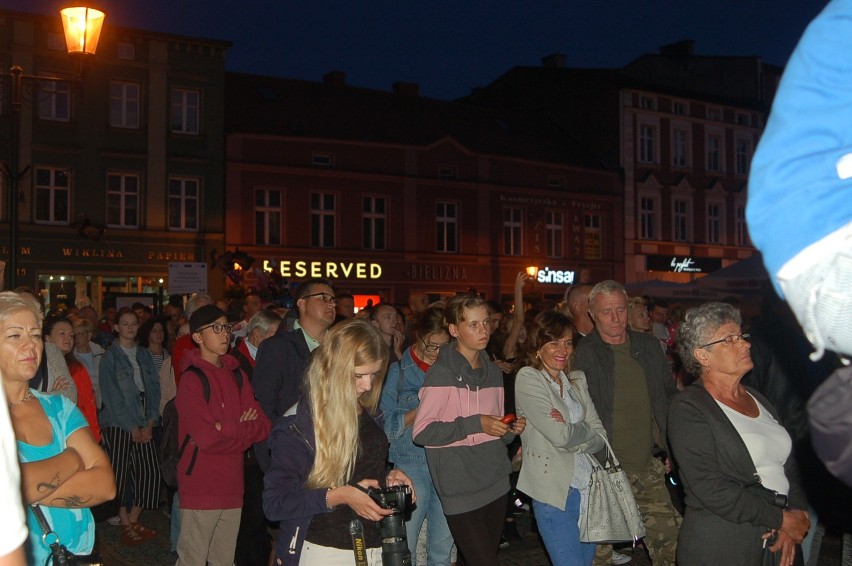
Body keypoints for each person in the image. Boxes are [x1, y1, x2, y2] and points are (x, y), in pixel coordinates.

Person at [263, 319, 415, 565]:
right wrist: (339, 495)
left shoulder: (369, 413)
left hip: (375, 545)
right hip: (324, 548)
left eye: (375, 374)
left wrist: (389, 479)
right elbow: (275, 504)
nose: (367, 385)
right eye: (359, 375)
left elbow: (359, 470)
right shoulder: (298, 426)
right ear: (335, 368)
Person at [668, 302, 810, 565]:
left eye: (742, 336)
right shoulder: (688, 408)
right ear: (702, 356)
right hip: (725, 544)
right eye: (729, 339)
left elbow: (789, 463)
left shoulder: (757, 398)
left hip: (778, 540)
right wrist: (780, 518)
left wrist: (797, 514)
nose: (744, 344)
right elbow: (711, 487)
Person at [1, 291, 116, 564]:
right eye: (15, 336)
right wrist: (72, 458)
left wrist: (24, 492)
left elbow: (105, 485)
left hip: (78, 556)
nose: (30, 345)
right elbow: (11, 489)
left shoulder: (58, 407)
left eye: (35, 334)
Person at [573, 280, 681, 566]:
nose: (616, 318)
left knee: (671, 547)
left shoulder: (647, 347)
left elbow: (667, 398)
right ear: (592, 314)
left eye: (620, 309)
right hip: (603, 472)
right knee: (599, 557)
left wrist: (671, 446)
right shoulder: (583, 353)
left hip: (647, 467)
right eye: (607, 311)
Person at [413, 294, 526, 566]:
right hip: (459, 486)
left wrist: (509, 429)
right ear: (454, 330)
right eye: (473, 324)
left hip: (495, 480)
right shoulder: (442, 373)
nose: (483, 330)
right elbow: (422, 433)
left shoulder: (493, 371)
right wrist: (477, 422)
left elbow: (494, 431)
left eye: (486, 322)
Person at [175, 305, 272, 566]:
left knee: (224, 561)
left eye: (227, 327)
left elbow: (262, 426)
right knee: (192, 560)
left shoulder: (237, 374)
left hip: (232, 484)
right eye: (215, 328)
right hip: (201, 485)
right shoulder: (192, 379)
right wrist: (238, 429)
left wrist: (224, 427)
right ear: (197, 337)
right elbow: (207, 438)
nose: (224, 334)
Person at [515, 311, 606, 566]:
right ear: (538, 346)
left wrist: (572, 428)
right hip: (554, 489)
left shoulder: (577, 380)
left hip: (588, 487)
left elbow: (600, 436)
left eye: (567, 342)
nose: (562, 350)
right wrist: (579, 428)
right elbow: (560, 435)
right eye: (554, 342)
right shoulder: (529, 378)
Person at [380, 306, 454, 565]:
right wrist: (421, 409)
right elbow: (386, 428)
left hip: (447, 463)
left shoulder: (452, 371)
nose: (436, 354)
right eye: (431, 345)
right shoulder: (399, 373)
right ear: (419, 335)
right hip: (411, 464)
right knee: (404, 547)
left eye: (444, 347)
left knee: (442, 549)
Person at [253, 278, 337, 470]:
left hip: (333, 453)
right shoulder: (278, 347)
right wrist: (278, 454)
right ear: (301, 303)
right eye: (323, 298)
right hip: (293, 454)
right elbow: (264, 406)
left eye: (333, 300)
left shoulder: (339, 349)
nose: (331, 304)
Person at [99, 307, 162, 546]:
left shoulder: (144, 354)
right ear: (116, 327)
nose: (130, 328)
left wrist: (150, 421)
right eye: (124, 323)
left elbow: (154, 389)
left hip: (144, 414)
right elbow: (112, 396)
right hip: (118, 421)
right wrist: (131, 426)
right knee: (120, 473)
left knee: (150, 472)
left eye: (133, 323)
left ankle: (133, 518)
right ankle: (125, 521)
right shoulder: (109, 357)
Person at [229, 308, 281, 566]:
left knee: (259, 515)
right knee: (249, 516)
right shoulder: (235, 362)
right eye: (275, 335)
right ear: (258, 334)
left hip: (264, 444)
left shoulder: (266, 358)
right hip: (246, 452)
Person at [44, 316, 101, 443]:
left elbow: (89, 406)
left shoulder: (78, 368)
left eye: (71, 335)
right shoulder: (36, 368)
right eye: (62, 334)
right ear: (47, 338)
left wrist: (94, 438)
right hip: (48, 432)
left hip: (77, 433)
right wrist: (53, 394)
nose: (68, 338)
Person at [72, 318, 106, 408]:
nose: (77, 337)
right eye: (74, 334)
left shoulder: (101, 354)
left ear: (89, 335)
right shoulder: (71, 358)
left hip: (102, 403)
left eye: (81, 334)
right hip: (82, 405)